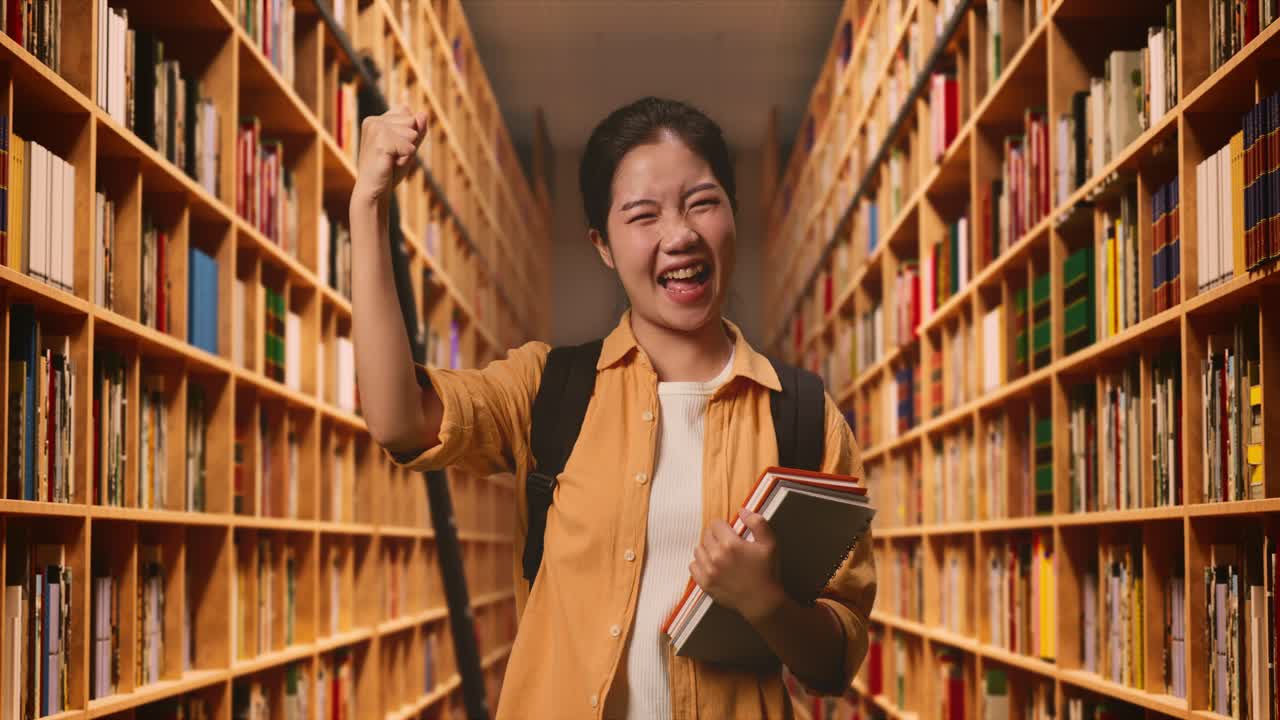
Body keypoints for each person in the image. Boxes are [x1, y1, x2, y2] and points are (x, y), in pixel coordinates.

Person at [349, 96, 875, 719]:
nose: (680, 234)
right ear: (602, 244)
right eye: (642, 215)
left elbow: (834, 663)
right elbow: (397, 418)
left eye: (703, 202)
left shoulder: (805, 418)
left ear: (733, 213)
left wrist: (765, 602)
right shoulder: (548, 387)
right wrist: (369, 206)